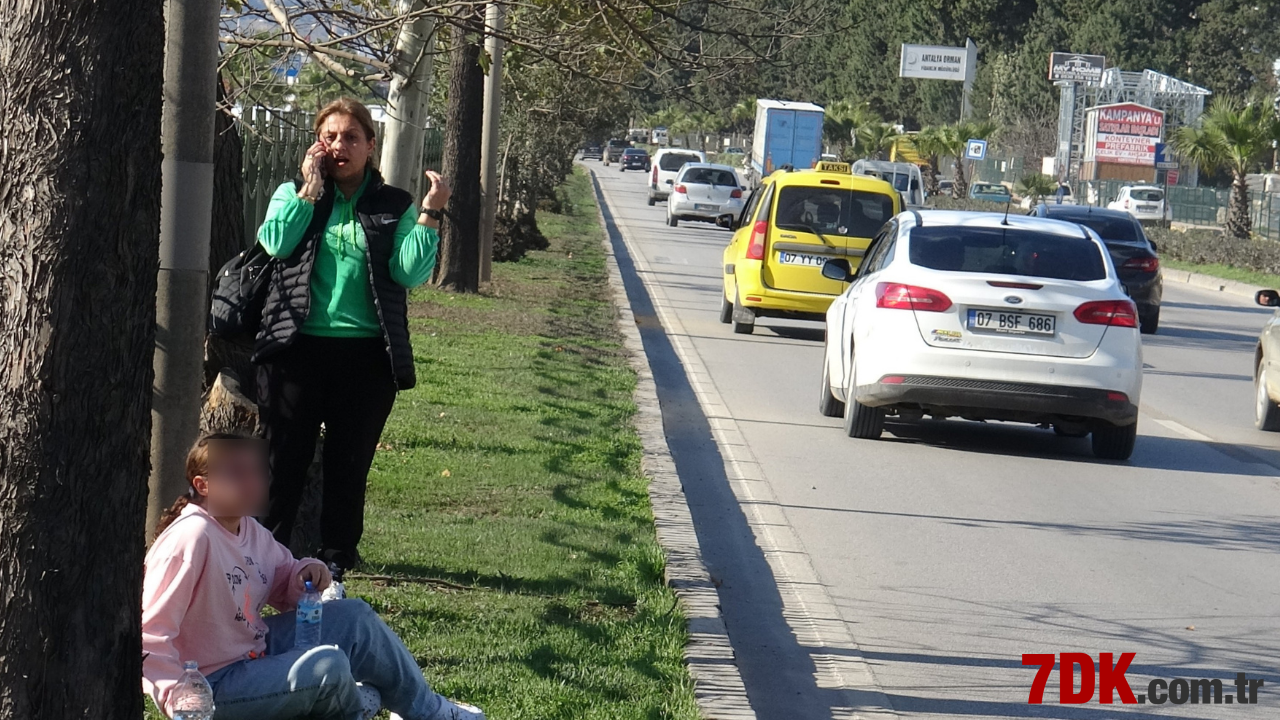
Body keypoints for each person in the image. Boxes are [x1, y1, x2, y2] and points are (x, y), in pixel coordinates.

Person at [142, 434, 485, 720]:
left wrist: (307, 571)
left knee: (356, 617)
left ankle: (427, 712)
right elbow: (150, 633)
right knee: (328, 665)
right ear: (203, 485)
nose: (254, 483)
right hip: (213, 683)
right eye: (238, 475)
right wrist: (179, 699)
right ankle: (350, 705)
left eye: (257, 472)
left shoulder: (247, 527)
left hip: (253, 651)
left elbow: (282, 578)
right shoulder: (191, 538)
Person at [253, 97, 450, 576]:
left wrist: (429, 214)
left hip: (364, 359)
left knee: (348, 467)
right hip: (295, 351)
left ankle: (336, 563)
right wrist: (309, 189)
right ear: (316, 145)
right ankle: (265, 562)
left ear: (370, 146)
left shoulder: (392, 205)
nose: (339, 146)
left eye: (350, 138)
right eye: (330, 136)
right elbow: (276, 243)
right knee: (282, 464)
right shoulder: (293, 194)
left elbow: (408, 273)